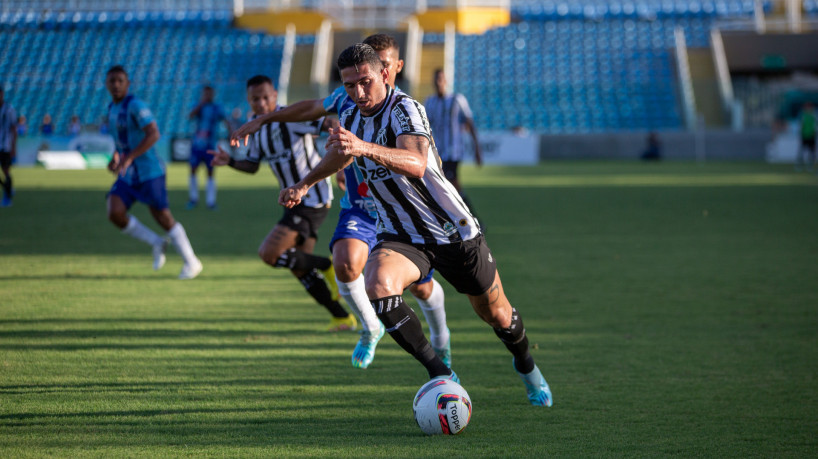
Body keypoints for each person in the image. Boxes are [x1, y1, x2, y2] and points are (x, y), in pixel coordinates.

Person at [280, 44, 553, 406]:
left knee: (497, 314)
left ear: (385, 75)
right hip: (400, 234)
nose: (358, 93)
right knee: (378, 284)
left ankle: (526, 366)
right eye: (349, 85)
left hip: (452, 232)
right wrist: (306, 183)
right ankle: (442, 374)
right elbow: (341, 152)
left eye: (364, 82)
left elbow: (415, 162)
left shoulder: (405, 108)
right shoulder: (353, 113)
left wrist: (363, 147)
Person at [231, 34, 450, 370]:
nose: (363, 87)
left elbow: (420, 162)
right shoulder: (349, 100)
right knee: (345, 262)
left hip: (404, 212)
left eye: (381, 69)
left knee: (421, 290)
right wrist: (269, 119)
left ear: (391, 69)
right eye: (356, 80)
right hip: (361, 207)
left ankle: (441, 338)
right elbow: (314, 107)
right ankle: (369, 327)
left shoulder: (405, 110)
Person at [210, 75, 357, 332]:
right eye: (256, 99)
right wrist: (230, 161)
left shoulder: (291, 118)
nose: (262, 103)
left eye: (266, 97)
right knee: (300, 268)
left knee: (270, 253)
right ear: (249, 101)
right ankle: (342, 317)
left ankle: (327, 266)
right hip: (291, 201)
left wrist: (341, 156)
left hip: (313, 198)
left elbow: (330, 123)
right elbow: (252, 166)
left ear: (275, 96)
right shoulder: (255, 128)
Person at [103, 65, 202, 279]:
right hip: (129, 174)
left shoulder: (136, 106)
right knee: (114, 212)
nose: (116, 84)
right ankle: (157, 243)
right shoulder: (112, 108)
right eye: (112, 81)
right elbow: (121, 141)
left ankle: (192, 262)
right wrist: (117, 157)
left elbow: (154, 134)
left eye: (120, 80)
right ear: (106, 84)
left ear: (128, 83)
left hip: (149, 172)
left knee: (163, 217)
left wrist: (129, 157)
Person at [424, 68, 482, 217]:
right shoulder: (429, 102)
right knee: (445, 187)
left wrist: (477, 149)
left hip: (453, 151)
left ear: (446, 81)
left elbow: (470, 123)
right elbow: (425, 127)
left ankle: (471, 218)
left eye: (441, 79)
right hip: (438, 153)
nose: (439, 83)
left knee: (451, 183)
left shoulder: (457, 99)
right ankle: (462, 219)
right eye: (436, 79)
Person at [187, 86, 229, 210]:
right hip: (197, 145)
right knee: (193, 170)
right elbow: (190, 116)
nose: (208, 96)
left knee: (210, 172)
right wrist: (201, 104)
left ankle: (211, 201)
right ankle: (193, 199)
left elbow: (226, 121)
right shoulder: (198, 106)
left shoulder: (217, 108)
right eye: (205, 93)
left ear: (213, 94)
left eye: (210, 93)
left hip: (210, 145)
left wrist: (232, 133)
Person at [0, 88, 17, 208]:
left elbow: (14, 129)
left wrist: (13, 147)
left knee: (6, 171)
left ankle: (7, 198)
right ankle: (8, 188)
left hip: (5, 146)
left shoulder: (9, 109)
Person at [797, 102, 816, 171]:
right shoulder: (803, 115)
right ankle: (799, 166)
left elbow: (815, 126)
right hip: (804, 135)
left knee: (812, 152)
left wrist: (815, 133)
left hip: (811, 136)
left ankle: (810, 166)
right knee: (802, 151)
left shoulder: (814, 115)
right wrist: (800, 134)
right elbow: (801, 125)